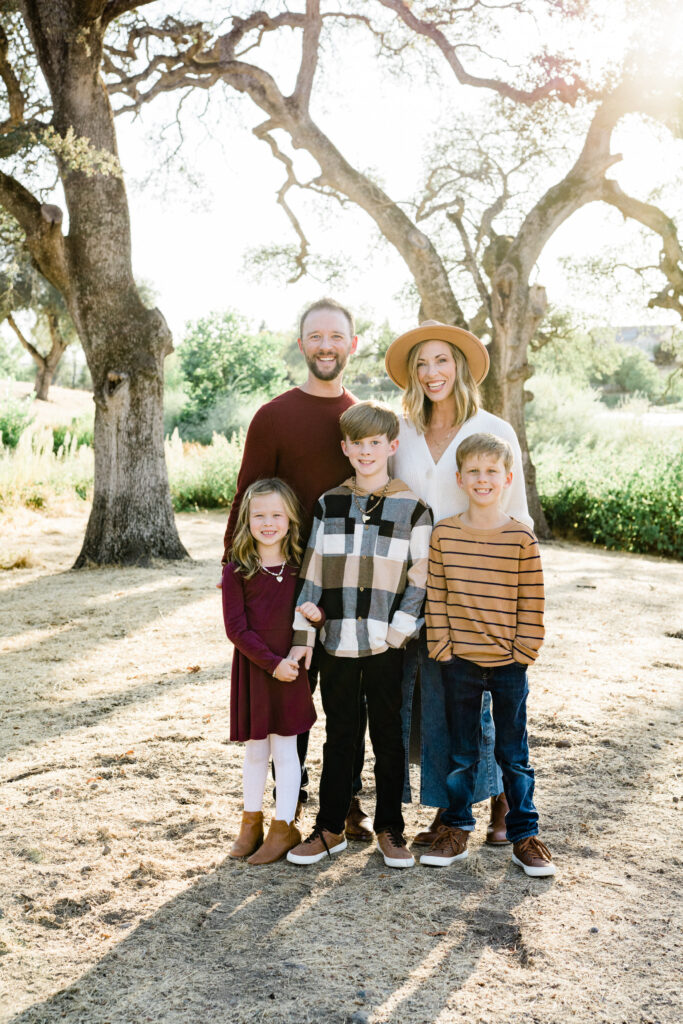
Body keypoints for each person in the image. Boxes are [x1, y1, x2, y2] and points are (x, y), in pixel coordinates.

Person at [222, 298, 372, 840]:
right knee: (290, 699)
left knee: (344, 702)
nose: (326, 345)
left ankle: (345, 801)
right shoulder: (274, 416)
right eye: (316, 336)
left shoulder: (359, 420)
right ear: (302, 342)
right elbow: (246, 499)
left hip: (347, 588)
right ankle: (290, 806)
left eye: (337, 336)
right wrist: (233, 578)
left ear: (352, 345)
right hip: (282, 589)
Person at [385, 319, 533, 847]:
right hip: (412, 581)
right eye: (421, 364)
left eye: (441, 361)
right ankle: (449, 810)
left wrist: (510, 595)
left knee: (484, 694)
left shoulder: (490, 429)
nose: (431, 373)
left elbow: (517, 517)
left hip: (478, 585)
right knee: (437, 699)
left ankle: (500, 801)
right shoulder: (400, 431)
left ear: (461, 366)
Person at [285, 401, 433, 869]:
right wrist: (304, 637)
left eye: (376, 443)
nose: (366, 452)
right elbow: (310, 576)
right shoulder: (330, 504)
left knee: (389, 734)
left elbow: (421, 579)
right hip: (337, 642)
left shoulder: (414, 510)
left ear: (391, 446)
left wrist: (400, 632)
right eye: (357, 444)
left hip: (388, 643)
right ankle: (330, 827)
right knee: (340, 735)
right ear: (344, 448)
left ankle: (391, 828)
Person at [420, 433, 554, 876]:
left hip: (509, 663)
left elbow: (531, 601)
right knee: (462, 752)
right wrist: (440, 644)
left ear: (508, 478)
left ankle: (524, 836)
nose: (482, 479)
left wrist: (523, 651)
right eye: (473, 471)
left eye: (492, 471)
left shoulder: (520, 538)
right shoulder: (445, 534)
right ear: (459, 478)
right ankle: (456, 828)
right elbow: (436, 594)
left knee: (514, 753)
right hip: (458, 661)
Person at [222, 478, 317, 864]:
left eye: (276, 514)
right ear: (247, 519)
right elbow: (236, 629)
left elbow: (311, 613)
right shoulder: (236, 570)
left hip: (291, 670)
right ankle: (251, 824)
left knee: (286, 749)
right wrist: (271, 664)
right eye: (259, 515)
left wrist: (314, 621)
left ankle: (283, 826)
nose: (268, 522)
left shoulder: (301, 568)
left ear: (290, 518)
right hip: (257, 669)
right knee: (256, 751)